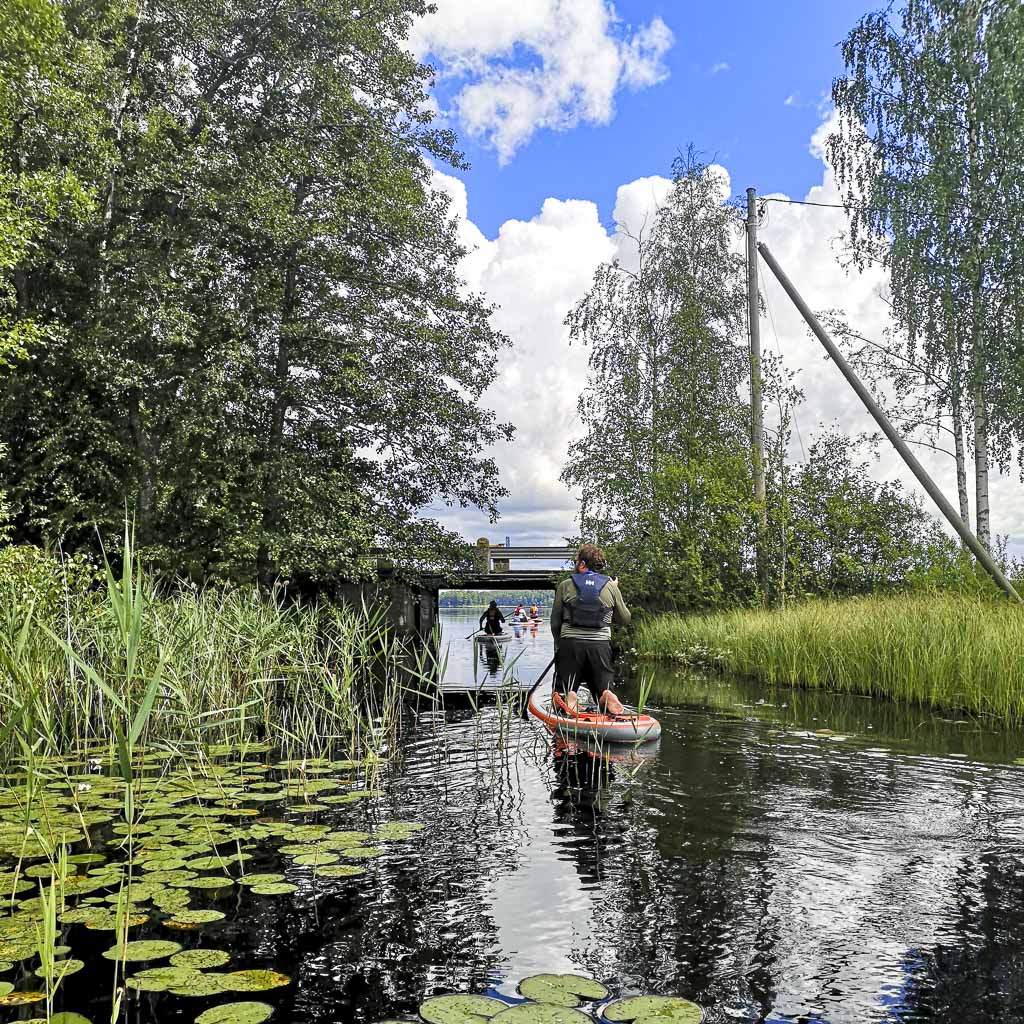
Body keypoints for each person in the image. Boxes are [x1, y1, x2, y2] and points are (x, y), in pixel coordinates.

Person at [549, 543, 631, 716]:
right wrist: (614, 591)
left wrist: (559, 644)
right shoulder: (610, 586)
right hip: (600, 646)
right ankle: (606, 695)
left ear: (582, 564)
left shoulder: (565, 585)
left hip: (570, 644)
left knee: (562, 692)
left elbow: (555, 621)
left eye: (577, 561)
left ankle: (568, 696)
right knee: (603, 688)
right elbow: (624, 618)